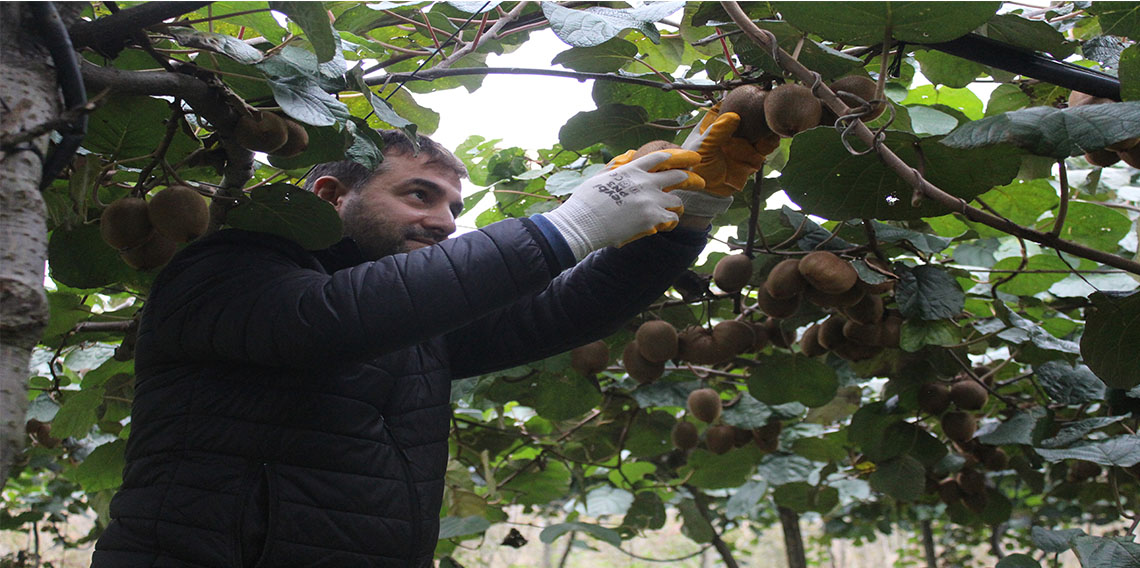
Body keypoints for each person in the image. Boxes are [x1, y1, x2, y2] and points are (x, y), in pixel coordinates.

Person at [91, 109, 761, 567]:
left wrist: (684, 223)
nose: (443, 222)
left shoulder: (414, 324)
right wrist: (565, 228)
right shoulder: (224, 267)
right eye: (419, 196)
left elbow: (559, 314)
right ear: (329, 195)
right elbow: (330, 320)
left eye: (452, 208)